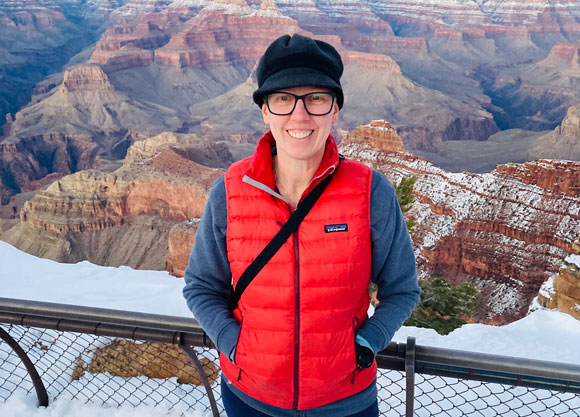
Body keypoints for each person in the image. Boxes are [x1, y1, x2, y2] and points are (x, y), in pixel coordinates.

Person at [183, 33, 421, 417]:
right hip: (249, 398)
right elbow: (200, 286)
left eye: (316, 98)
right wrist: (234, 345)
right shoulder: (229, 191)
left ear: (334, 110)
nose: (299, 115)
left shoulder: (370, 192)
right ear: (264, 110)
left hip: (346, 403)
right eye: (283, 99)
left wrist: (368, 341)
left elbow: (403, 289)